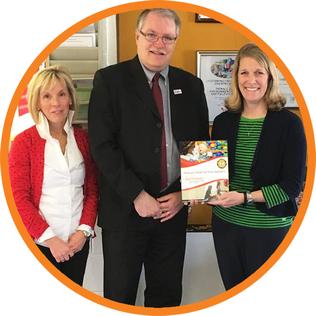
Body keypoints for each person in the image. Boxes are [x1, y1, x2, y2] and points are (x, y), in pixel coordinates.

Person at [88, 8, 209, 307]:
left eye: (168, 37)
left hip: (172, 213)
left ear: (176, 40)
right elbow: (102, 146)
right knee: (119, 297)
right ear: (137, 36)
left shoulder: (192, 86)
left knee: (167, 297)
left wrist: (184, 195)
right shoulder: (109, 81)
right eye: (152, 34)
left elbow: (201, 149)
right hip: (125, 212)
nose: (159, 43)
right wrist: (136, 194)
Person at [208, 43, 306, 290]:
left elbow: (292, 186)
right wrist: (203, 191)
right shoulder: (222, 122)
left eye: (258, 73)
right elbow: (212, 174)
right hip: (226, 226)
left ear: (270, 77)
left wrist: (245, 197)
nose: (251, 80)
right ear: (236, 77)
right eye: (244, 72)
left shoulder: (290, 124)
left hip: (269, 229)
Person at [9, 66, 98, 286]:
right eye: (46, 96)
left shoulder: (83, 139)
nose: (55, 103)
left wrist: (83, 232)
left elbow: (92, 190)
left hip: (77, 244)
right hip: (40, 245)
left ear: (70, 98)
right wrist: (50, 239)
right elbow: (19, 198)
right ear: (37, 102)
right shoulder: (24, 142)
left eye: (61, 94)